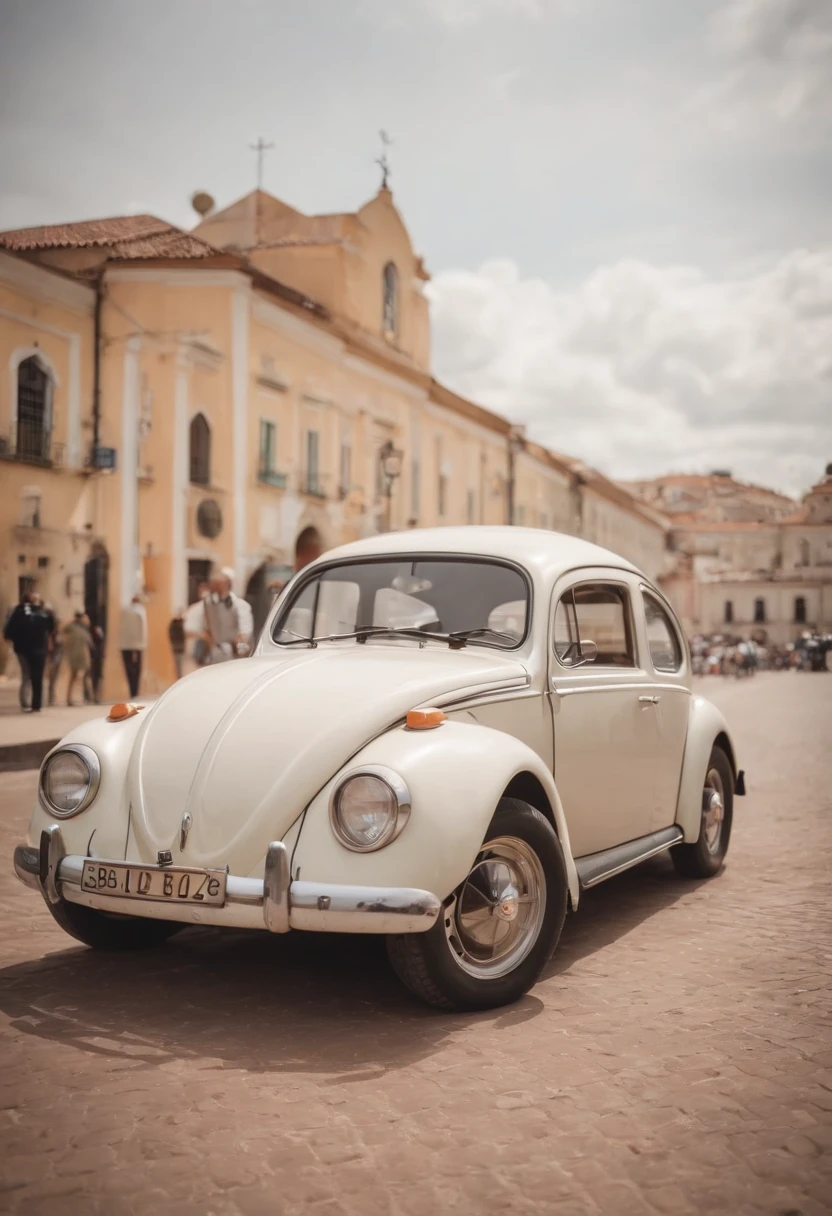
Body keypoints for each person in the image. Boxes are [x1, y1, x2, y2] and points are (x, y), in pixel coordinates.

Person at [3, 592, 53, 712]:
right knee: (37, 676)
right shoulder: (43, 613)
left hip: (23, 650)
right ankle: (36, 704)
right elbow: (51, 626)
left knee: (26, 675)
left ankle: (25, 702)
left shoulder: (18, 611)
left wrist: (15, 640)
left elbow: (8, 631)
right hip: (39, 649)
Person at [193, 568, 253, 665]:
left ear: (226, 584)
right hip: (213, 654)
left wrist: (239, 650)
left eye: (217, 584)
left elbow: (245, 633)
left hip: (233, 655)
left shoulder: (240, 605)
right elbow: (204, 628)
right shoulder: (208, 605)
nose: (213, 587)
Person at [118, 595, 147, 697]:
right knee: (136, 670)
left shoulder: (125, 611)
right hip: (136, 645)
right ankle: (135, 692)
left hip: (124, 645)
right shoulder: (140, 611)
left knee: (128, 669)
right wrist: (140, 644)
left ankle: (132, 691)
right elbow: (142, 630)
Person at [63, 612, 93, 706]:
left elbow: (89, 643)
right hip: (75, 655)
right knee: (74, 676)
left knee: (86, 676)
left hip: (83, 655)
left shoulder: (84, 630)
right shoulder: (73, 628)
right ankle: (69, 698)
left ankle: (89, 697)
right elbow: (64, 629)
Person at [44, 606, 64, 706]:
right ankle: (49, 698)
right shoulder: (47, 632)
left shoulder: (53, 632)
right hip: (50, 655)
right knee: (51, 677)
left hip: (54, 655)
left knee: (53, 677)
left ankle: (50, 697)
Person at [168, 610, 186, 679]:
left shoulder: (180, 624)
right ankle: (179, 678)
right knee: (178, 665)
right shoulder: (174, 625)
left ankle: (180, 678)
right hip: (177, 647)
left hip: (180, 647)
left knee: (180, 665)